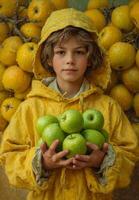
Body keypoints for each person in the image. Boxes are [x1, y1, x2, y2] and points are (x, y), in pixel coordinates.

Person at [0, 8, 138, 200]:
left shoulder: (108, 107)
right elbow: (9, 156)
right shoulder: (31, 108)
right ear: (48, 58)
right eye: (61, 52)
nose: (70, 60)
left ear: (90, 58)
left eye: (79, 52)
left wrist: (103, 161)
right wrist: (42, 162)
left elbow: (130, 154)